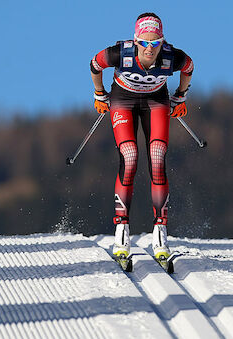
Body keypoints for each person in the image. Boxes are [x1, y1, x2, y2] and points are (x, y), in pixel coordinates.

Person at [90, 12, 194, 260]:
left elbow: (189, 67)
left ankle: (160, 231)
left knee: (157, 157)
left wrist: (181, 95)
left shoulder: (171, 57)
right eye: (145, 42)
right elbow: (95, 64)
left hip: (155, 101)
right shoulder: (120, 53)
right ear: (136, 40)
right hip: (122, 100)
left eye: (155, 43)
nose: (150, 48)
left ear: (162, 42)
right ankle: (122, 230)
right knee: (130, 156)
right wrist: (99, 93)